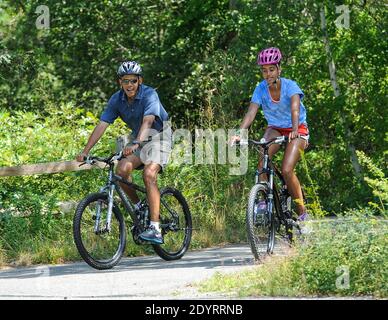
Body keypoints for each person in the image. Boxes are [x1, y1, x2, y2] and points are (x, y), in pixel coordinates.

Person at [76, 61, 172, 244]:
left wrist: (136, 142)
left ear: (140, 81)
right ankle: (138, 206)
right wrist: (85, 151)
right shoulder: (116, 99)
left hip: (160, 137)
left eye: (133, 81)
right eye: (126, 81)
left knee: (149, 174)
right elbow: (102, 125)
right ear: (120, 82)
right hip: (140, 139)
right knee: (121, 170)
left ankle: (155, 228)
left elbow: (148, 122)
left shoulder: (150, 94)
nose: (130, 85)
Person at [230, 47, 309, 226]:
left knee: (287, 169)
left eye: (271, 69)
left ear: (279, 69)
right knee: (262, 162)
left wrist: (295, 130)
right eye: (264, 70)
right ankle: (265, 201)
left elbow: (295, 109)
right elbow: (251, 113)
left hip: (297, 129)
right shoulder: (260, 89)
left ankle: (303, 214)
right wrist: (238, 133)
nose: (268, 74)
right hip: (275, 128)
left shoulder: (290, 86)